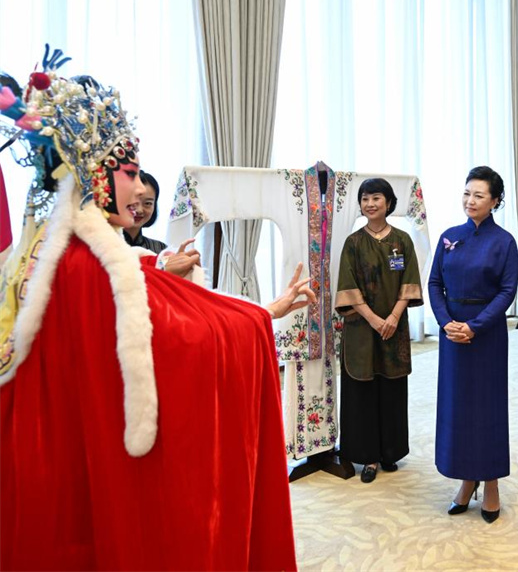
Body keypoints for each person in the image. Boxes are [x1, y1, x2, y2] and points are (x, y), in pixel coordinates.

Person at [0, 59, 314, 570]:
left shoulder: (58, 257)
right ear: (94, 175)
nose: (137, 190)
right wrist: (264, 316)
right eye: (127, 174)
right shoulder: (97, 269)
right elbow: (183, 342)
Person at [428, 166, 518, 523]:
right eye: (467, 193)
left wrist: (475, 327)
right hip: (452, 333)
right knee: (458, 408)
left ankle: (491, 483)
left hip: (487, 334)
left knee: (487, 408)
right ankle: (467, 481)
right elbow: (434, 283)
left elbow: (508, 291)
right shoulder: (450, 236)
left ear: (495, 201)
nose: (470, 200)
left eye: (479, 195)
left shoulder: (504, 242)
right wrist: (445, 322)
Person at [335, 178, 423, 483]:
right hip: (361, 329)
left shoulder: (402, 240)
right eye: (365, 199)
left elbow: (409, 282)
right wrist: (374, 319)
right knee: (363, 389)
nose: (370, 204)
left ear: (388, 202)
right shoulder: (353, 243)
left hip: (393, 328)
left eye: (376, 198)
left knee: (392, 388)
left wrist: (393, 318)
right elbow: (347, 287)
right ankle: (368, 456)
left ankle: (390, 451)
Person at [123, 169, 167, 254]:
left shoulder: (161, 250)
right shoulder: (102, 247)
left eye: (147, 203)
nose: (139, 210)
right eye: (133, 202)